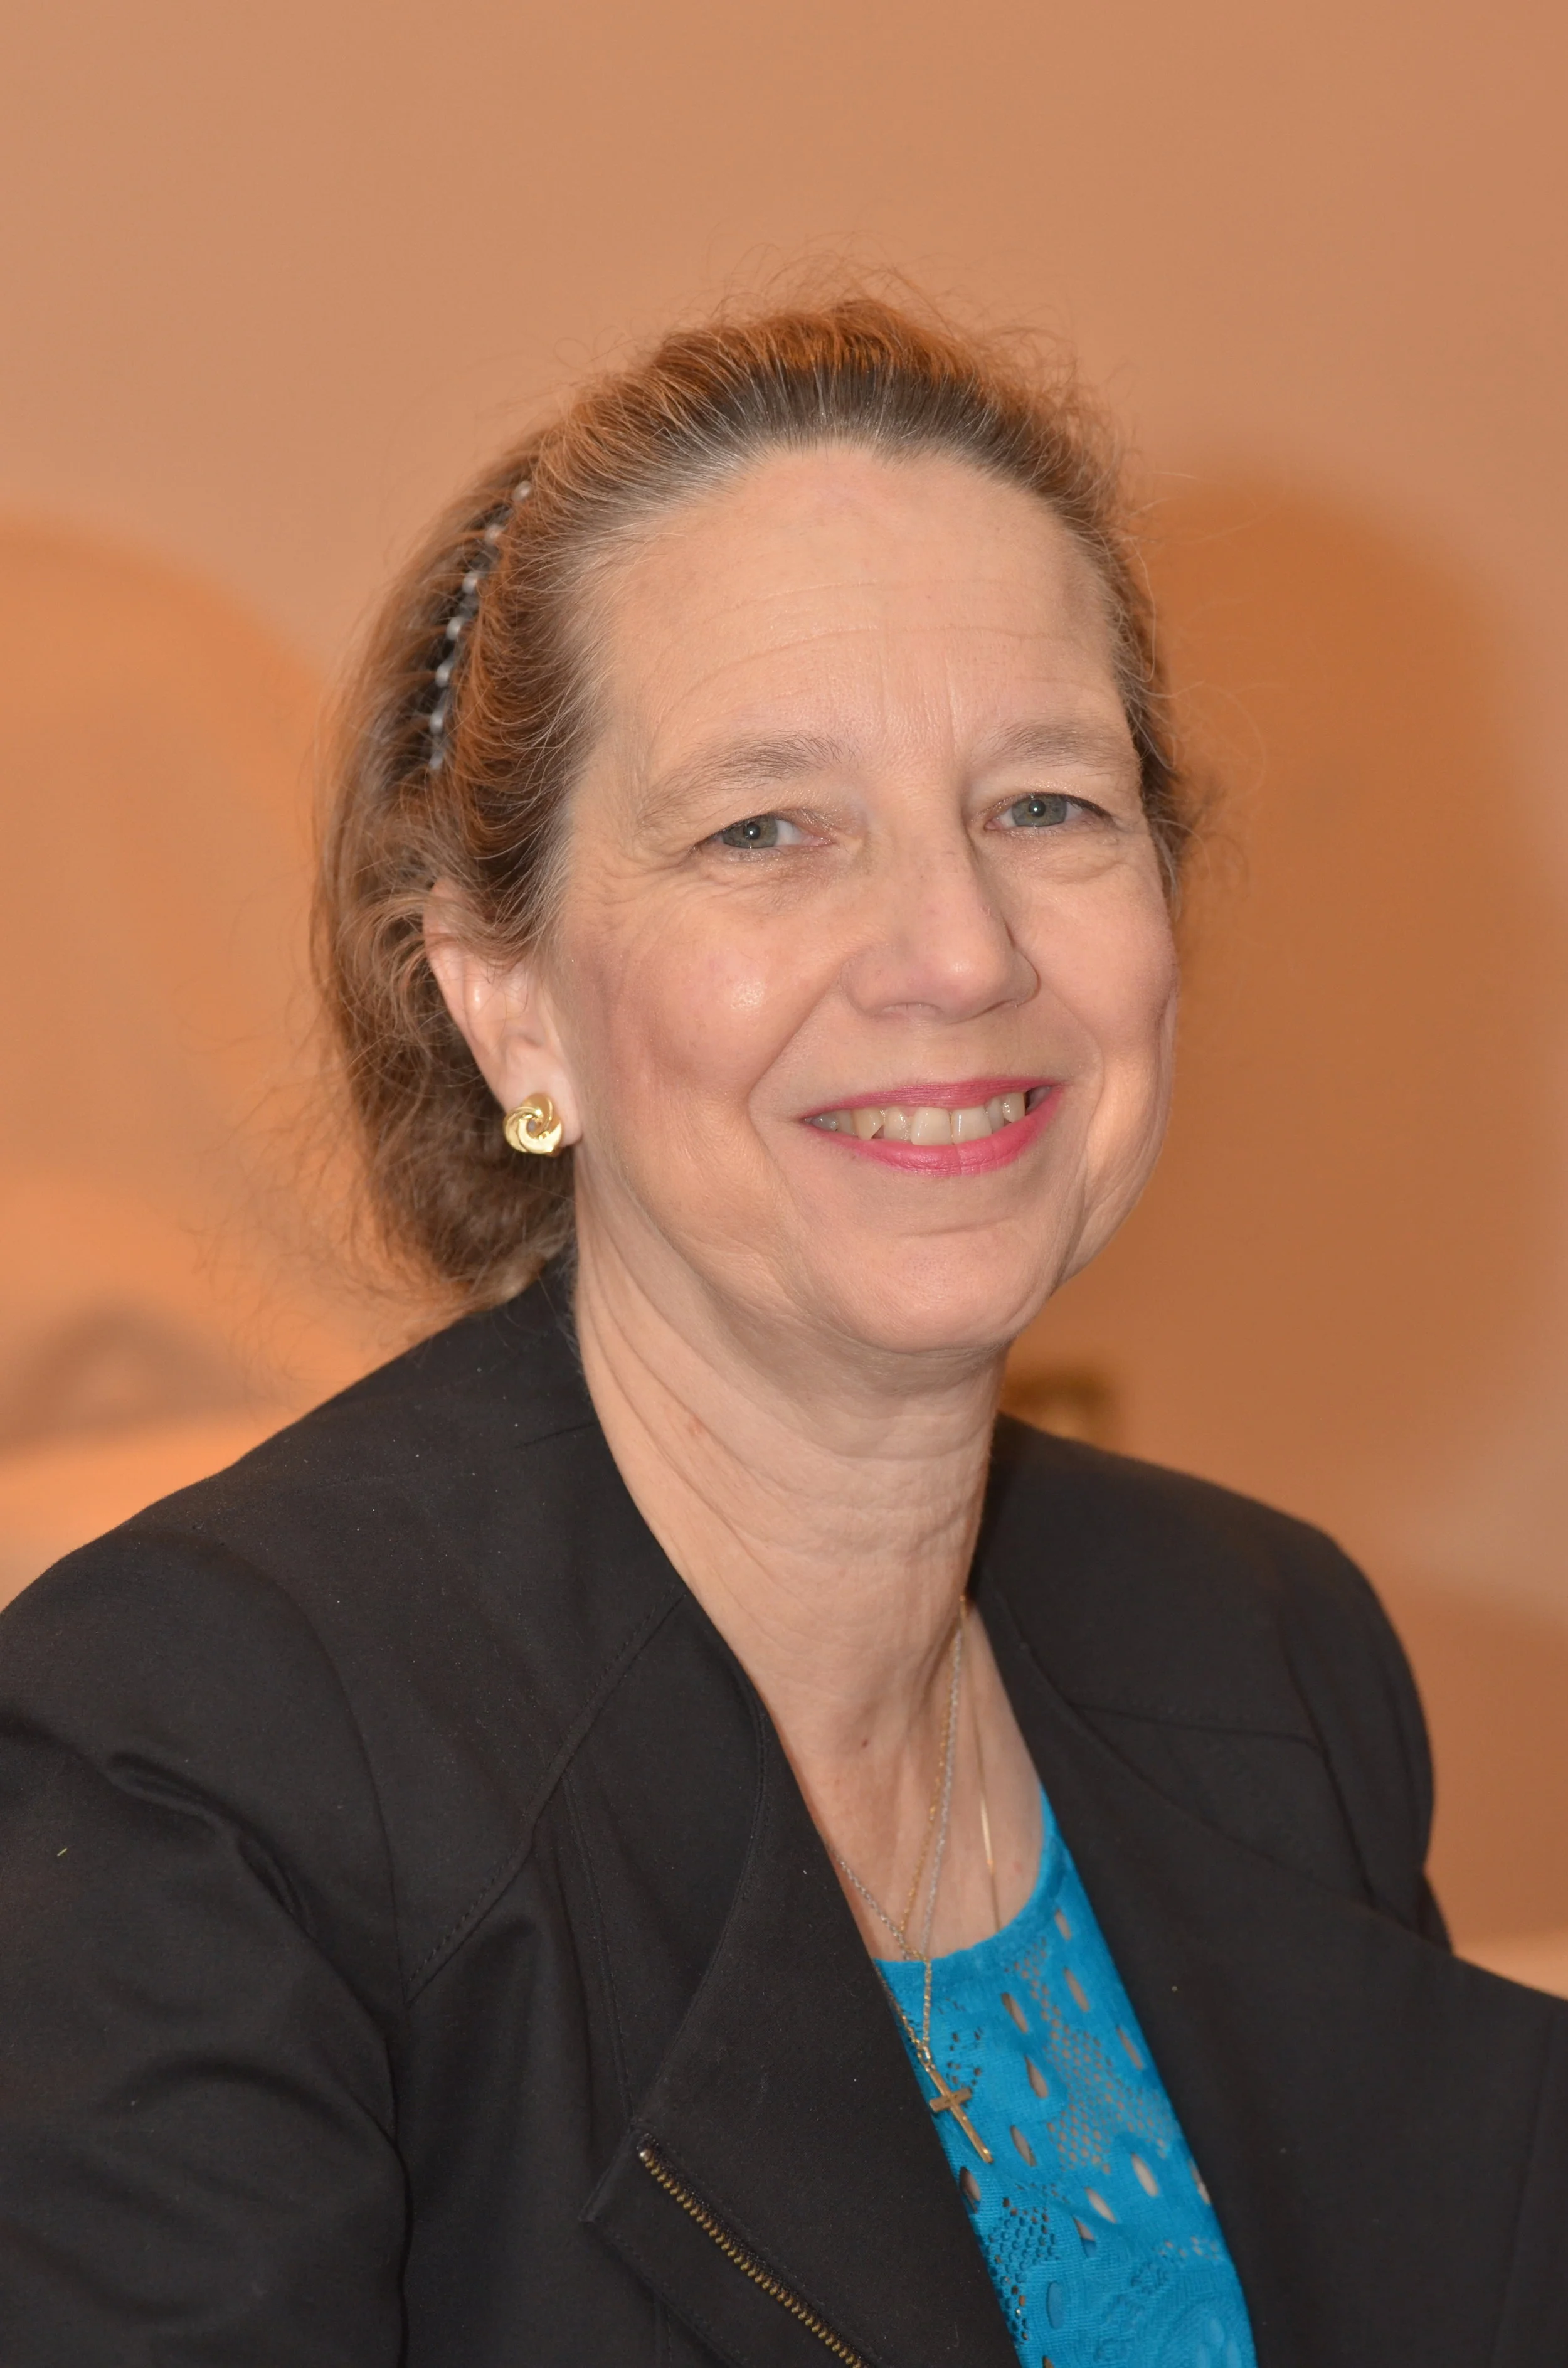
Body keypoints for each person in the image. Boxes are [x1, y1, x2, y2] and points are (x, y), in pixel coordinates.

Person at [0, 294, 1562, 2368]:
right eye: (766, 827)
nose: (959, 949)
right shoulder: (202, 1760)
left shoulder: (1266, 1653)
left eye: (1045, 804)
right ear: (504, 997)